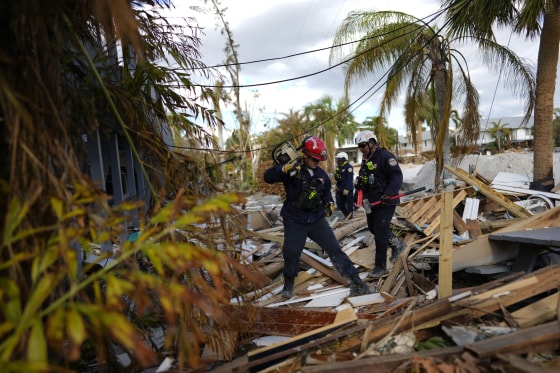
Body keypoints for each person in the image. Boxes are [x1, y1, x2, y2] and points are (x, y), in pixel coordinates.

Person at [264, 136, 371, 298]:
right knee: (291, 253)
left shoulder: (321, 174)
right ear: (305, 155)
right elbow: (268, 177)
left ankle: (356, 281)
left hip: (316, 219)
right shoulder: (292, 171)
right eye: (314, 159)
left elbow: (327, 193)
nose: (317, 163)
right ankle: (288, 285)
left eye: (319, 160)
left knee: (334, 249)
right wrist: (283, 169)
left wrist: (329, 203)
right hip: (295, 220)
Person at [354, 130, 406, 279]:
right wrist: (356, 195)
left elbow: (397, 176)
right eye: (359, 146)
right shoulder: (365, 159)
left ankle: (380, 266)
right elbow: (363, 180)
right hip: (372, 202)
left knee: (381, 232)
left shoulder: (385, 157)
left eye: (363, 145)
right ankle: (397, 244)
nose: (361, 149)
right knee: (373, 228)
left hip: (386, 201)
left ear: (372, 143)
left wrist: (388, 193)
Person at [334, 152, 354, 219]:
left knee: (349, 203)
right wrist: (337, 185)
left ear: (343, 159)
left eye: (339, 159)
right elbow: (338, 178)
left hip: (347, 189)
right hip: (340, 189)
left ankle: (350, 215)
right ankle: (346, 215)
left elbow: (349, 179)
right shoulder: (339, 167)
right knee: (340, 204)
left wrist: (347, 188)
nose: (337, 161)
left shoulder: (349, 167)